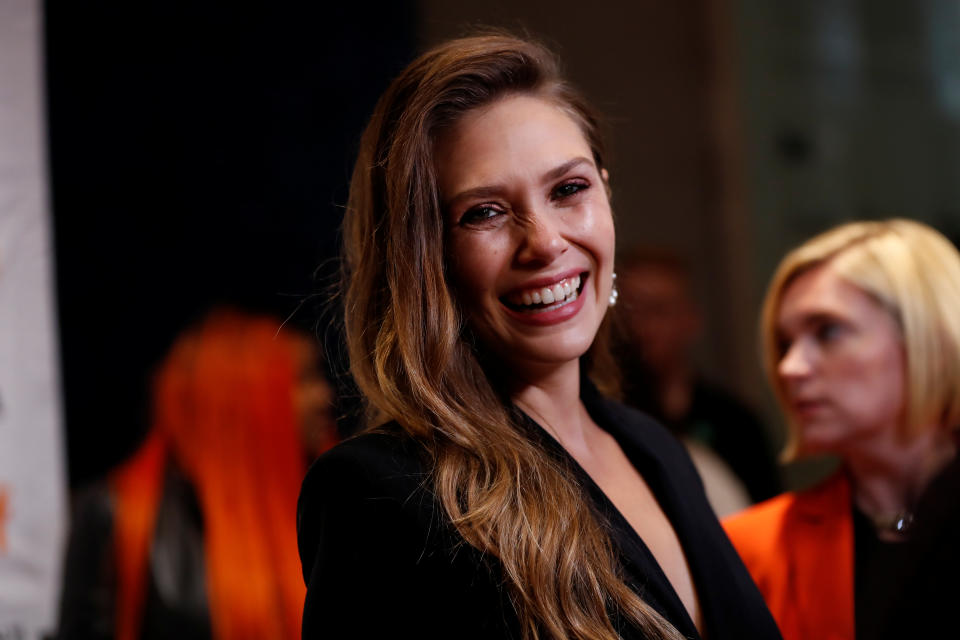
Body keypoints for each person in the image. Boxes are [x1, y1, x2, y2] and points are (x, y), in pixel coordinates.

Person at [297, 34, 781, 640]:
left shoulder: (655, 449)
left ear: (605, 193)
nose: (546, 241)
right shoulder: (380, 492)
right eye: (485, 213)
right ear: (425, 258)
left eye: (568, 190)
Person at [723, 219, 960, 640]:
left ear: (930, 338)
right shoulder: (752, 549)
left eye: (828, 330)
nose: (789, 368)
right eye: (785, 343)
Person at [58, 309, 337, 640]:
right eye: (303, 380)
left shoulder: (335, 506)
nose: (324, 397)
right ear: (237, 400)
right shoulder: (119, 515)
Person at [615, 248, 780, 509]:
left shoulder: (736, 423)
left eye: (657, 311)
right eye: (628, 311)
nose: (640, 327)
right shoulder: (606, 418)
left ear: (690, 319)